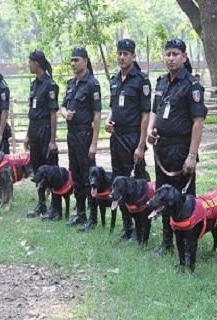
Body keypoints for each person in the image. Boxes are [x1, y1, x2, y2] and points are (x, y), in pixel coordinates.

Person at [147, 38, 207, 255]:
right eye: (168, 54)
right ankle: (167, 241)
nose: (171, 58)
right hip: (162, 149)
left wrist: (192, 155)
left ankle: (189, 243)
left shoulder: (192, 85)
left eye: (175, 54)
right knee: (162, 196)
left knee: (184, 198)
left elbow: (198, 122)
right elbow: (155, 110)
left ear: (184, 57)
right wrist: (150, 131)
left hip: (182, 149)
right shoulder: (161, 82)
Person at [101, 39, 151, 236]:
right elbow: (113, 108)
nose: (122, 57)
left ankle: (141, 227)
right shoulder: (114, 80)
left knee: (137, 182)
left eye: (126, 54)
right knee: (118, 181)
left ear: (133, 56)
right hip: (116, 138)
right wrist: (108, 121)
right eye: (120, 53)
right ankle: (127, 225)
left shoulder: (141, 80)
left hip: (132, 137)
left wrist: (141, 145)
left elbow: (146, 115)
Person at [61, 47, 101, 227]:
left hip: (85, 134)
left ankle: (93, 217)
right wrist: (65, 114)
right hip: (72, 134)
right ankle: (81, 213)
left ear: (85, 61)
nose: (73, 63)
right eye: (71, 60)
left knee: (88, 176)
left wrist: (94, 143)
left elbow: (97, 115)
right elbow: (62, 105)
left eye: (76, 60)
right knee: (75, 174)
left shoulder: (92, 84)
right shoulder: (70, 84)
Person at [24, 50, 61, 220]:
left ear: (36, 63)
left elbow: (53, 113)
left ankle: (55, 206)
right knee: (38, 169)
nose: (28, 65)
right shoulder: (34, 84)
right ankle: (41, 203)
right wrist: (27, 135)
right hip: (34, 130)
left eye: (30, 62)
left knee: (51, 169)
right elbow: (32, 112)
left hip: (46, 130)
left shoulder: (50, 84)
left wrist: (52, 140)